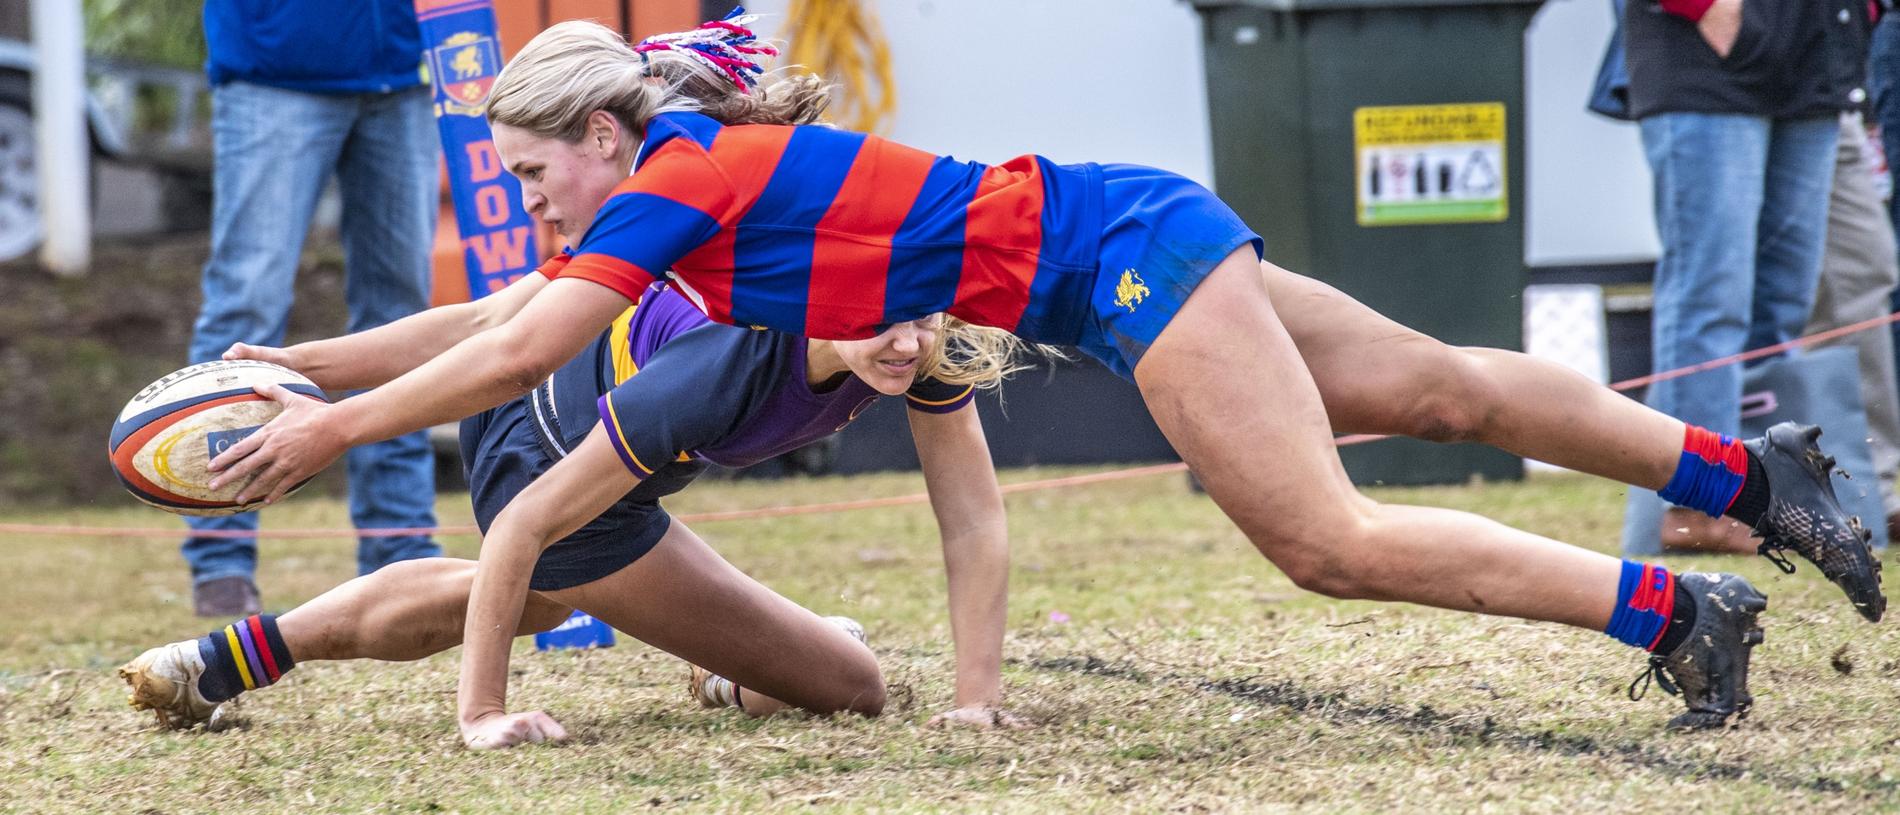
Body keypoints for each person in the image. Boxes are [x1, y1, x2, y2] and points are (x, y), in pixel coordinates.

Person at [205, 13, 1885, 747]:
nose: (529, 203)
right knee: (1437, 386)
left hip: (1111, 260)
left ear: (594, 136)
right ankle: (1756, 477)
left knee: (1321, 535)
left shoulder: (681, 175)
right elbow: (482, 320)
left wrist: (326, 441)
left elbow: (515, 349)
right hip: (1113, 231)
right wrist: (300, 366)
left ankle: (1682, 615)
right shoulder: (682, 191)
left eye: (535, 174)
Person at [119, 280, 1028, 731]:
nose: (908, 341)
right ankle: (736, 663)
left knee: (540, 593)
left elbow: (974, 517)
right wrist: (482, 717)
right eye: (885, 319)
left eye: (928, 315)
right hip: (546, 455)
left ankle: (212, 662)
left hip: (555, 428)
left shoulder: (911, 334)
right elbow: (518, 490)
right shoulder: (731, 356)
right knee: (852, 684)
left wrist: (976, 700)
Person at [183, 0, 442, 616]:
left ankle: (400, 550)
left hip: (408, 68)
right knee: (245, 310)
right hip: (274, 67)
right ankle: (221, 558)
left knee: (402, 323)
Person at [1616, 0, 1875, 553]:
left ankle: (1769, 502)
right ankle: (1698, 506)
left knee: (1782, 306)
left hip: (1813, 62)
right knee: (1709, 300)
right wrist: (1709, 8)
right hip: (1704, 63)